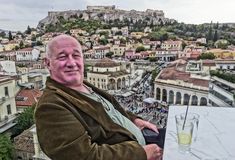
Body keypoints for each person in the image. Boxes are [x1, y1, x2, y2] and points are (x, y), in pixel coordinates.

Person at [35, 34, 164, 160]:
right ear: (47, 63)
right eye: (62, 57)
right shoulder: (50, 107)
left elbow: (107, 111)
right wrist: (140, 154)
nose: (72, 63)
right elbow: (84, 156)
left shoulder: (83, 85)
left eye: (76, 55)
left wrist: (135, 121)